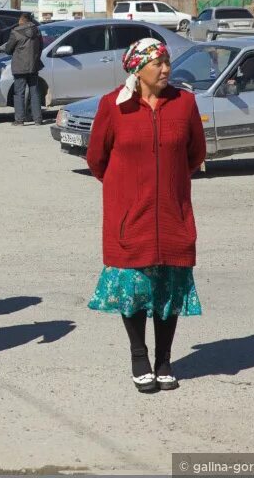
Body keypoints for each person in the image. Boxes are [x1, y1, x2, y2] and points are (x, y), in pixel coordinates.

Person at [85, 38, 206, 393]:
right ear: (138, 70)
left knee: (168, 290)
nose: (166, 69)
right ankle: (140, 356)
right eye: (158, 63)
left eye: (167, 62)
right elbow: (97, 158)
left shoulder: (185, 104)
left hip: (172, 213)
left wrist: (167, 183)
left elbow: (195, 154)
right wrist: (126, 189)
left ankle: (164, 360)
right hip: (129, 217)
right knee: (135, 291)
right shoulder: (113, 106)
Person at [0, 12, 45, 126]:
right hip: (33, 66)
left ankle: (19, 119)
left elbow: (8, 49)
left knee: (19, 93)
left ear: (22, 20)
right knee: (34, 92)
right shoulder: (37, 31)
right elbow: (41, 46)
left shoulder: (16, 32)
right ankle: (38, 119)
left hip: (19, 66)